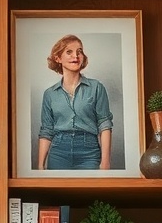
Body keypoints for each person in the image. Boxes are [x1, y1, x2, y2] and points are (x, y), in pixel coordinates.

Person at [37, 34, 113, 170]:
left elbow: (104, 124)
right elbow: (46, 130)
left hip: (89, 152)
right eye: (69, 52)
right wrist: (40, 165)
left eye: (80, 52)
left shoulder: (96, 88)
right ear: (58, 58)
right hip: (58, 152)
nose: (76, 56)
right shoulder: (49, 94)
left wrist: (105, 162)